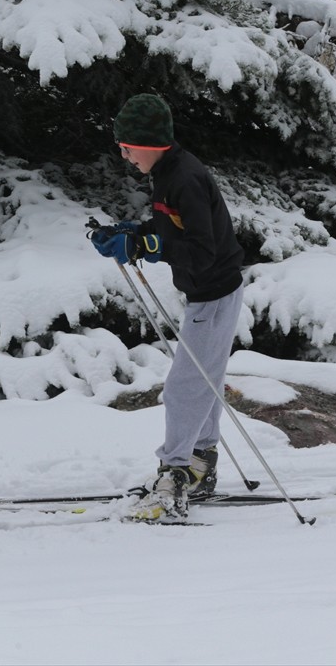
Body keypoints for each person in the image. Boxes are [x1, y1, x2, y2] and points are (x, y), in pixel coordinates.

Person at [90, 94, 244, 523]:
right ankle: (200, 463)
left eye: (127, 146)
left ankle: (173, 477)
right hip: (213, 293)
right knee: (205, 380)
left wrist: (146, 246)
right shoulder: (168, 172)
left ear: (150, 142)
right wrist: (132, 233)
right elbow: (170, 226)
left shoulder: (184, 178)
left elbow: (201, 249)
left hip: (213, 293)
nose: (123, 154)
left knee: (183, 386)